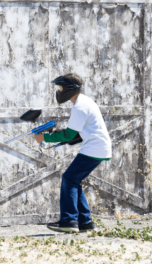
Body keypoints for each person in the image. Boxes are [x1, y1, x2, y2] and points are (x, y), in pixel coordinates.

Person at [34, 73, 112, 233]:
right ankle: (85, 223)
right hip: (97, 147)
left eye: (61, 87)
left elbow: (69, 135)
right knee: (74, 180)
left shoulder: (80, 106)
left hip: (94, 148)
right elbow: (74, 133)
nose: (59, 91)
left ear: (70, 89)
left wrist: (45, 137)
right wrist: (56, 132)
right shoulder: (84, 102)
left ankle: (69, 220)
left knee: (69, 178)